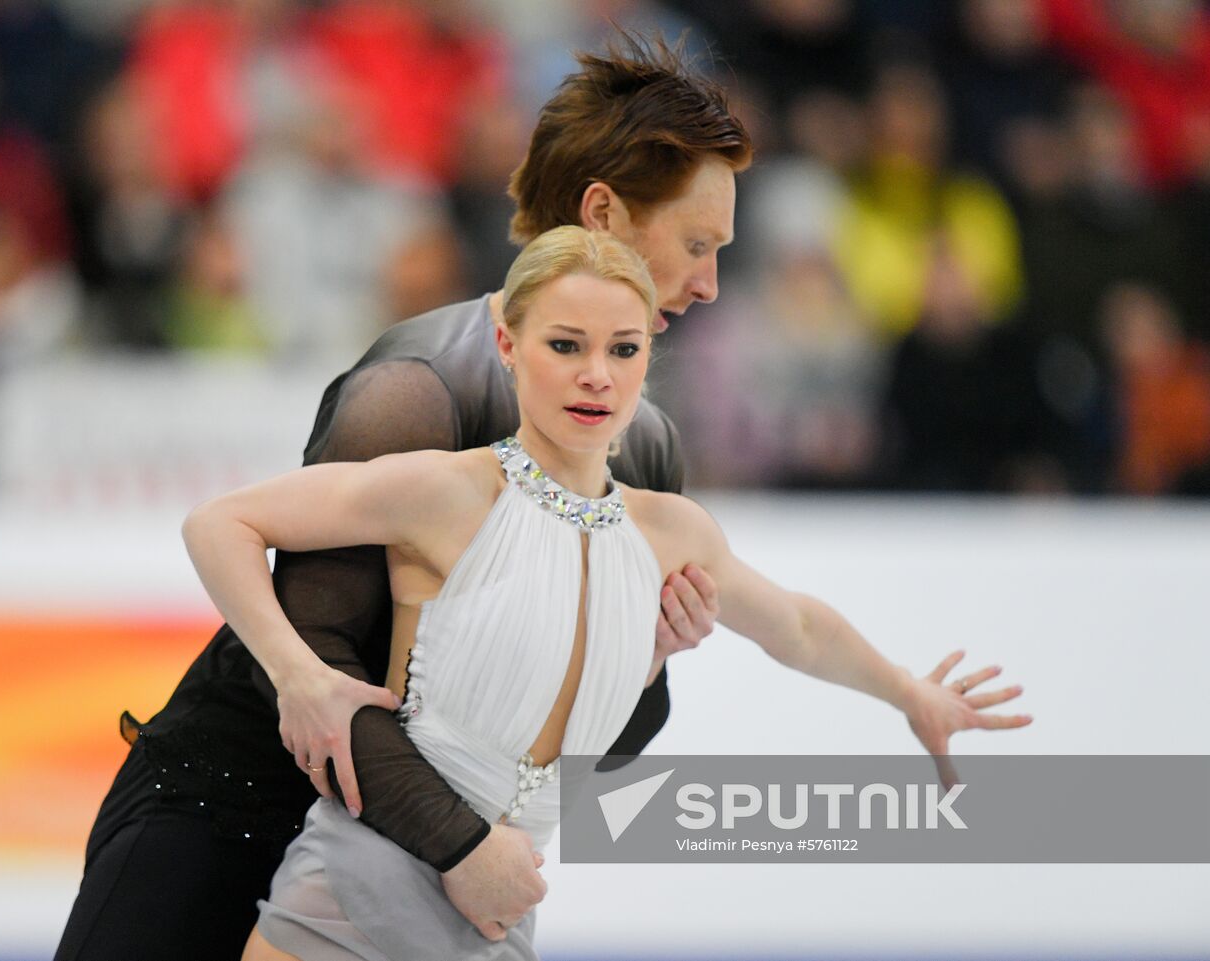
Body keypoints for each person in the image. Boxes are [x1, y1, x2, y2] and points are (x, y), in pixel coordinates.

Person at [53, 34, 748, 961]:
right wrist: (459, 844)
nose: (708, 283)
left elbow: (570, 757)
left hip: (396, 856)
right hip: (235, 810)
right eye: (697, 244)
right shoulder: (419, 387)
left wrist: (649, 662)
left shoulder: (641, 446)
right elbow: (310, 667)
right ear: (602, 212)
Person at [174, 225, 1031, 960]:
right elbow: (219, 524)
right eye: (565, 344)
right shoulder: (445, 490)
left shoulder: (670, 532)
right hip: (361, 886)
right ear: (509, 346)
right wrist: (298, 672)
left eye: (623, 348)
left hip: (503, 908)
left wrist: (908, 693)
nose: (597, 375)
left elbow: (799, 627)